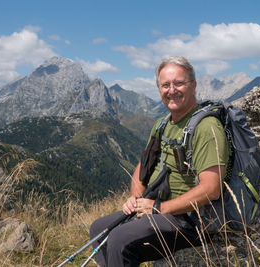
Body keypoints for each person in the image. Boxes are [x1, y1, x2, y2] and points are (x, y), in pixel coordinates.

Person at [89, 56, 230, 266]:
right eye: (165, 85)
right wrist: (136, 200)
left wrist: (159, 208)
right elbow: (142, 168)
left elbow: (211, 189)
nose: (171, 90)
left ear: (193, 85)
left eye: (179, 83)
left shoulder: (207, 128)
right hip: (160, 211)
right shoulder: (162, 125)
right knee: (99, 229)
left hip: (191, 220)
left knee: (119, 239)